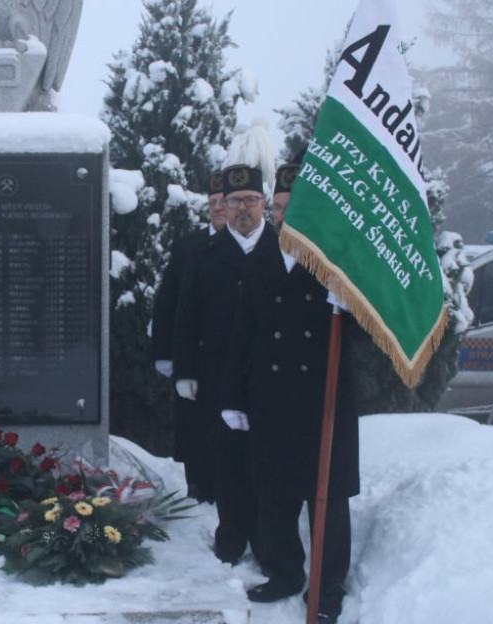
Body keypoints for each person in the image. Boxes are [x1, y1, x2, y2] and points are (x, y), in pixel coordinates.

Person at [221, 161, 360, 624]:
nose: (282, 215)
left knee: (328, 497)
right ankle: (285, 572)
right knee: (274, 492)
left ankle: (328, 582)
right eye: (278, 207)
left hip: (323, 399)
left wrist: (352, 307)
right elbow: (242, 332)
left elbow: (367, 337)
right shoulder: (262, 254)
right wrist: (233, 397)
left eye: (291, 206)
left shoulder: (336, 260)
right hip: (270, 396)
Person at [173, 163, 277, 565]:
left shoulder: (282, 251)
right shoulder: (207, 254)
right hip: (218, 377)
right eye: (234, 202)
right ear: (224, 207)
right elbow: (187, 314)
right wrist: (184, 371)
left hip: (269, 377)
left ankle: (269, 541)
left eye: (250, 200)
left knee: (265, 463)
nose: (242, 210)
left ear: (264, 204)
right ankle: (231, 536)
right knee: (229, 461)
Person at [149, 171, 230, 503]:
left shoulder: (254, 244)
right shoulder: (188, 246)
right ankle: (198, 487)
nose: (217, 208)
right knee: (195, 427)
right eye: (211, 203)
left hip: (229, 355)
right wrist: (164, 353)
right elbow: (168, 300)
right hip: (193, 354)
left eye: (223, 202)